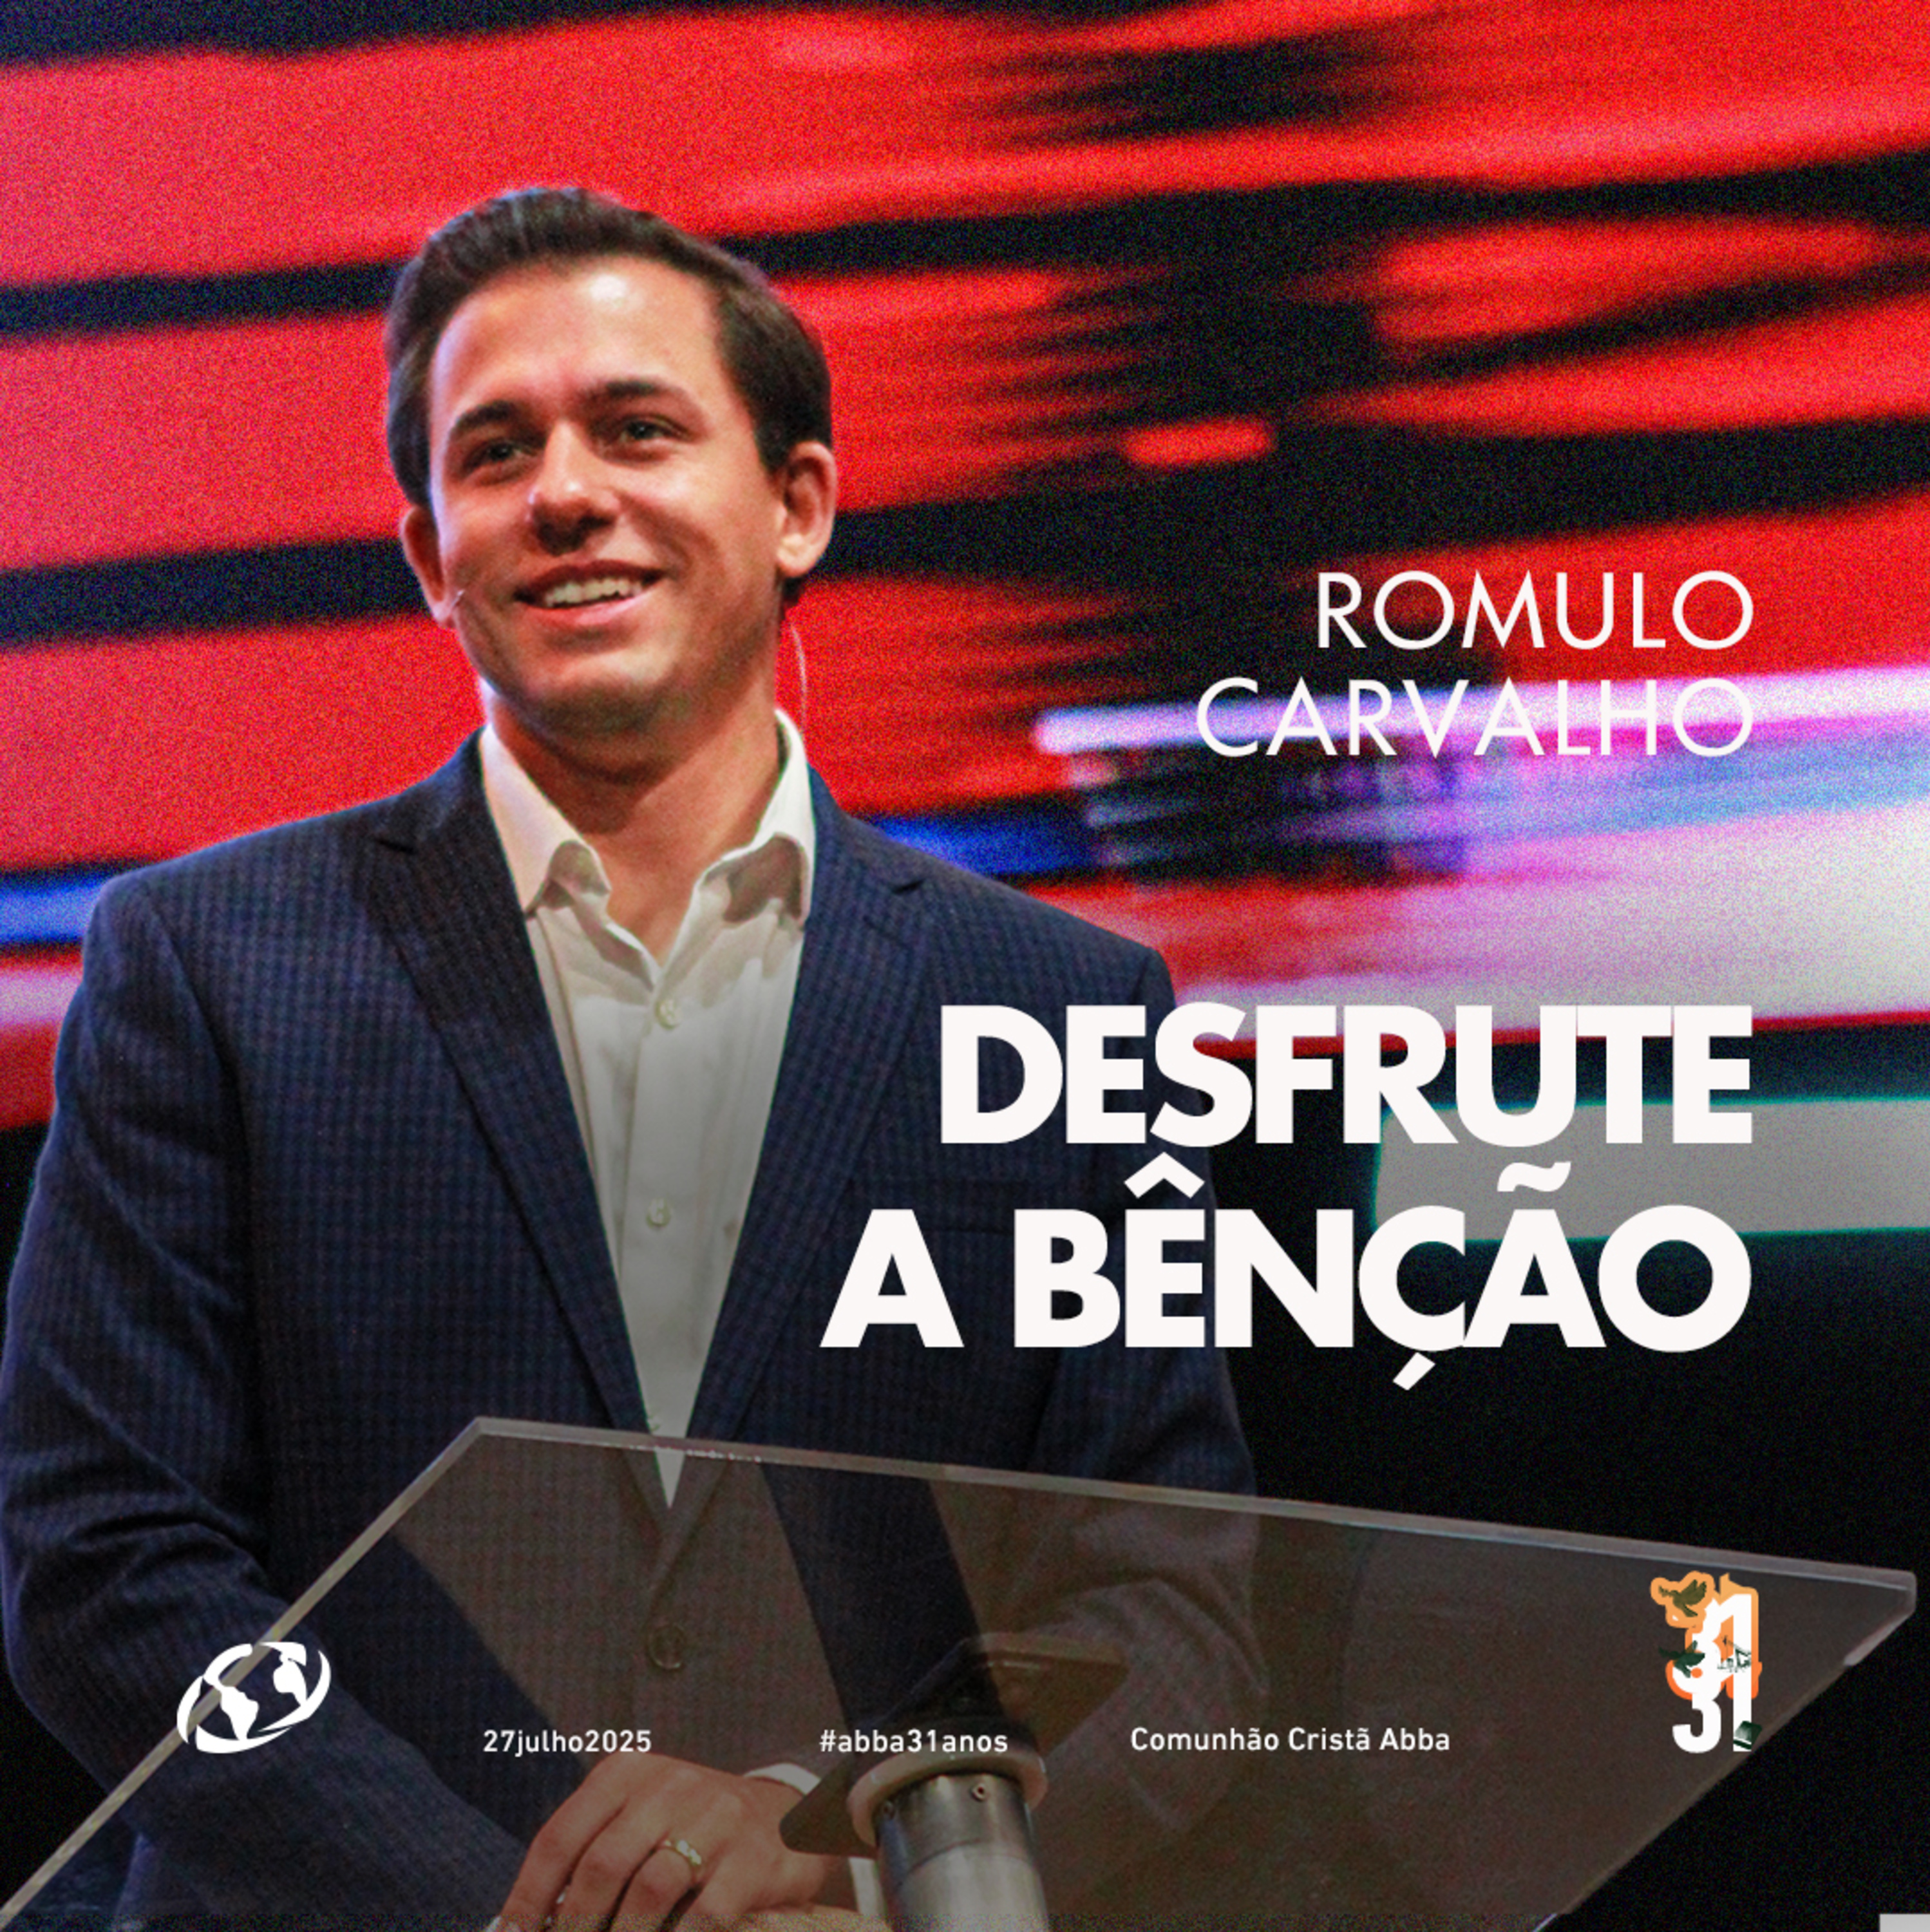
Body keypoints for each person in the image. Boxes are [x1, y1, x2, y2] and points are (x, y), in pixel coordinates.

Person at [0, 189, 1253, 1929]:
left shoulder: (1060, 1009)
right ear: (432, 555)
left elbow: (1169, 1616)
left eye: (638, 429)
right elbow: (112, 1573)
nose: (567, 493)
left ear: (798, 503)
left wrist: (834, 1828)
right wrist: (517, 1908)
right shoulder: (205, 965)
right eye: (497, 451)